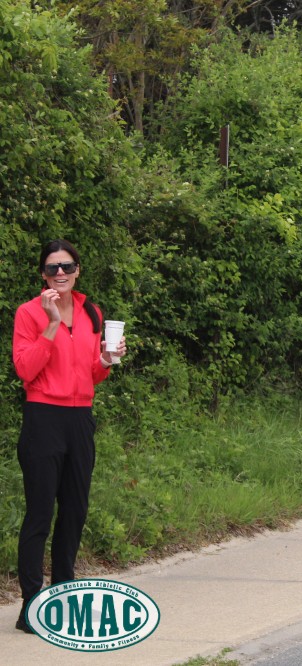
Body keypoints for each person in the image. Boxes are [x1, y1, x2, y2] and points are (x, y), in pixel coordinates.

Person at [12, 239, 127, 634]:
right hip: (43, 417)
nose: (59, 273)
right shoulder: (29, 312)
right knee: (40, 513)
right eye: (51, 268)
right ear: (42, 274)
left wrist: (107, 359)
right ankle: (31, 605)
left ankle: (62, 596)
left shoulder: (92, 312)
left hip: (80, 419)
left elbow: (92, 373)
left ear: (78, 270)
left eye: (66, 266)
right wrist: (51, 325)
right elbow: (26, 370)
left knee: (75, 511)